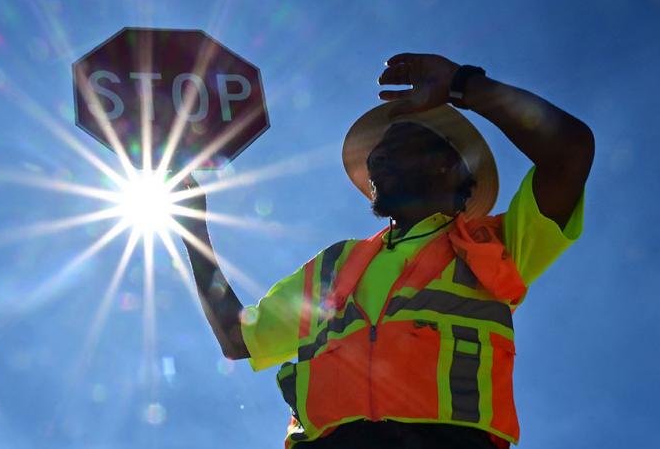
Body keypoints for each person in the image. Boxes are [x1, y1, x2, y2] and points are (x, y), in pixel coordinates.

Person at [178, 53, 593, 449]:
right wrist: (194, 230)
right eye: (376, 154)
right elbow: (239, 339)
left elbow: (570, 152)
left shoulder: (495, 245)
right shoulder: (335, 265)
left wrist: (463, 85)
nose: (375, 160)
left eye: (395, 146)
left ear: (448, 164)